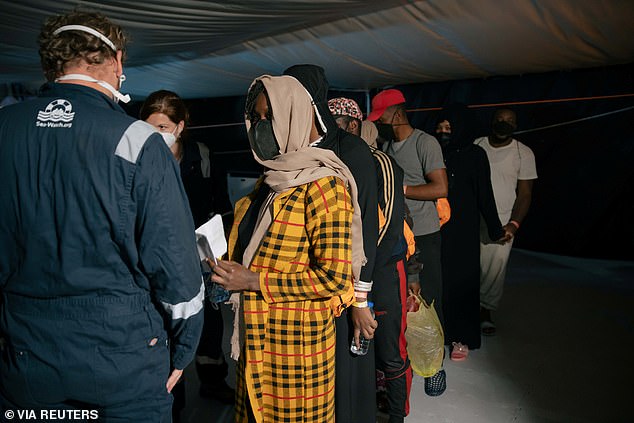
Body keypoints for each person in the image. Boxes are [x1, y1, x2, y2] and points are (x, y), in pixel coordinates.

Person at [0, 11, 204, 421]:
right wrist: (183, 352)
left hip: (25, 361)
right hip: (123, 365)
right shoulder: (138, 140)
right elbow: (177, 270)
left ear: (49, 65)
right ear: (117, 61)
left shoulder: (5, 129)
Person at [211, 75, 363, 423]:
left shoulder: (325, 187)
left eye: (270, 117)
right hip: (257, 338)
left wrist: (252, 281)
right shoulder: (272, 180)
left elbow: (334, 280)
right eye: (257, 119)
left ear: (294, 115)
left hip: (297, 352)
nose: (261, 127)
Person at [284, 64, 379, 422]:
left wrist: (360, 300)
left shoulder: (349, 149)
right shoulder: (287, 147)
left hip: (344, 288)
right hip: (305, 293)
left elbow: (365, 227)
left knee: (345, 381)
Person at [140, 90, 235, 421]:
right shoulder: (141, 156)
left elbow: (222, 206)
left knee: (208, 322)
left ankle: (212, 380)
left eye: (163, 127)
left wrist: (220, 252)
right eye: (150, 126)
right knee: (166, 325)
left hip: (201, 252)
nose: (157, 134)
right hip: (160, 253)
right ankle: (172, 398)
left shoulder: (202, 156)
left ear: (180, 127)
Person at [329, 97, 412, 423]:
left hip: (382, 272)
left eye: (332, 122)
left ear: (352, 125)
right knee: (355, 351)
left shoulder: (381, 162)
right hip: (348, 279)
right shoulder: (329, 164)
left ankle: (395, 416)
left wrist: (361, 286)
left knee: (389, 352)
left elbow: (388, 229)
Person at [368, 88, 449, 395]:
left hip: (425, 234)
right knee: (405, 304)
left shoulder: (424, 142)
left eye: (383, 116)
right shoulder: (387, 145)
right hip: (400, 238)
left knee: (429, 301)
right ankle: (411, 363)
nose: (380, 123)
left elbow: (440, 187)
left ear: (397, 114)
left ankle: (435, 367)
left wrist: (398, 190)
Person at [435, 105, 509, 360]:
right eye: (440, 127)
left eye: (449, 128)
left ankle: (461, 337)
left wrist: (496, 228)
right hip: (437, 229)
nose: (443, 132)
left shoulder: (475, 155)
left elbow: (484, 194)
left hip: (464, 232)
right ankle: (439, 335)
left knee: (463, 283)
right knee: (439, 282)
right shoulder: (435, 151)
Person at [474, 108, 537, 335]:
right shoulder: (477, 145)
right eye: (500, 119)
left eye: (510, 121)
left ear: (516, 124)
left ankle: (485, 312)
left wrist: (514, 223)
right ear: (492, 121)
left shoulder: (523, 153)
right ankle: (466, 309)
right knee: (470, 266)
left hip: (502, 220)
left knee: (494, 269)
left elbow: (525, 193)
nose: (504, 123)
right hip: (474, 217)